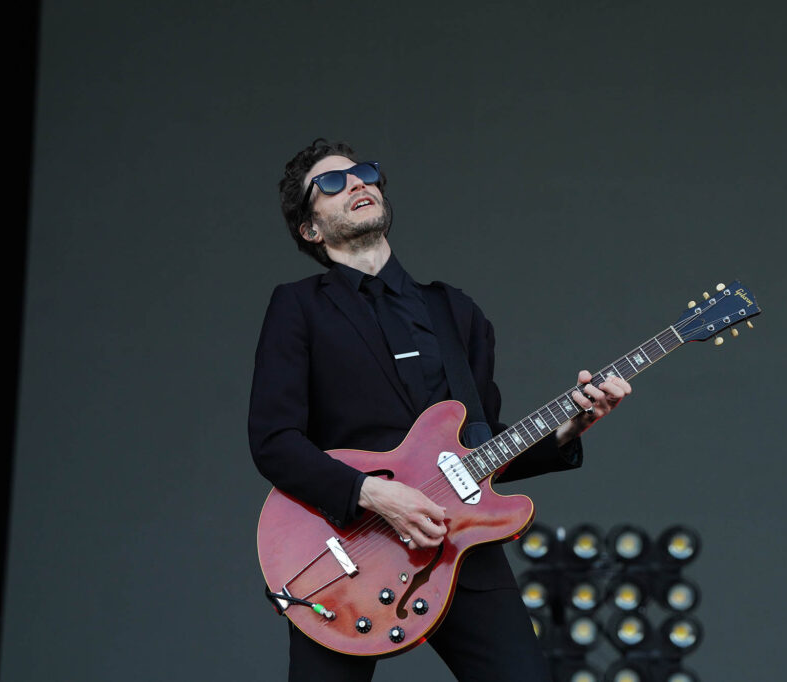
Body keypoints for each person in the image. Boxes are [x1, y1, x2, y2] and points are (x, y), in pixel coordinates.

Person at [249, 138, 632, 681]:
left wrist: (570, 427)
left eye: (364, 173)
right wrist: (373, 494)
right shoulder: (299, 307)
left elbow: (481, 449)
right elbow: (274, 441)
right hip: (347, 554)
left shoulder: (454, 311)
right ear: (311, 229)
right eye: (332, 182)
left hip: (460, 550)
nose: (357, 182)